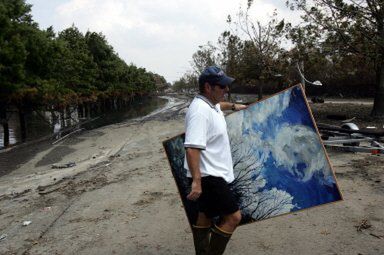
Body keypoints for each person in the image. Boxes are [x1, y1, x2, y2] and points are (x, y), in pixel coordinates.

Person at [184, 66, 247, 255]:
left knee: (205, 215)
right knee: (234, 217)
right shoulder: (199, 111)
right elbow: (192, 147)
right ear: (208, 87)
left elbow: (221, 106)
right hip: (208, 176)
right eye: (222, 86)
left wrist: (235, 106)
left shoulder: (211, 105)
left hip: (211, 174)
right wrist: (196, 181)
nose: (226, 89)